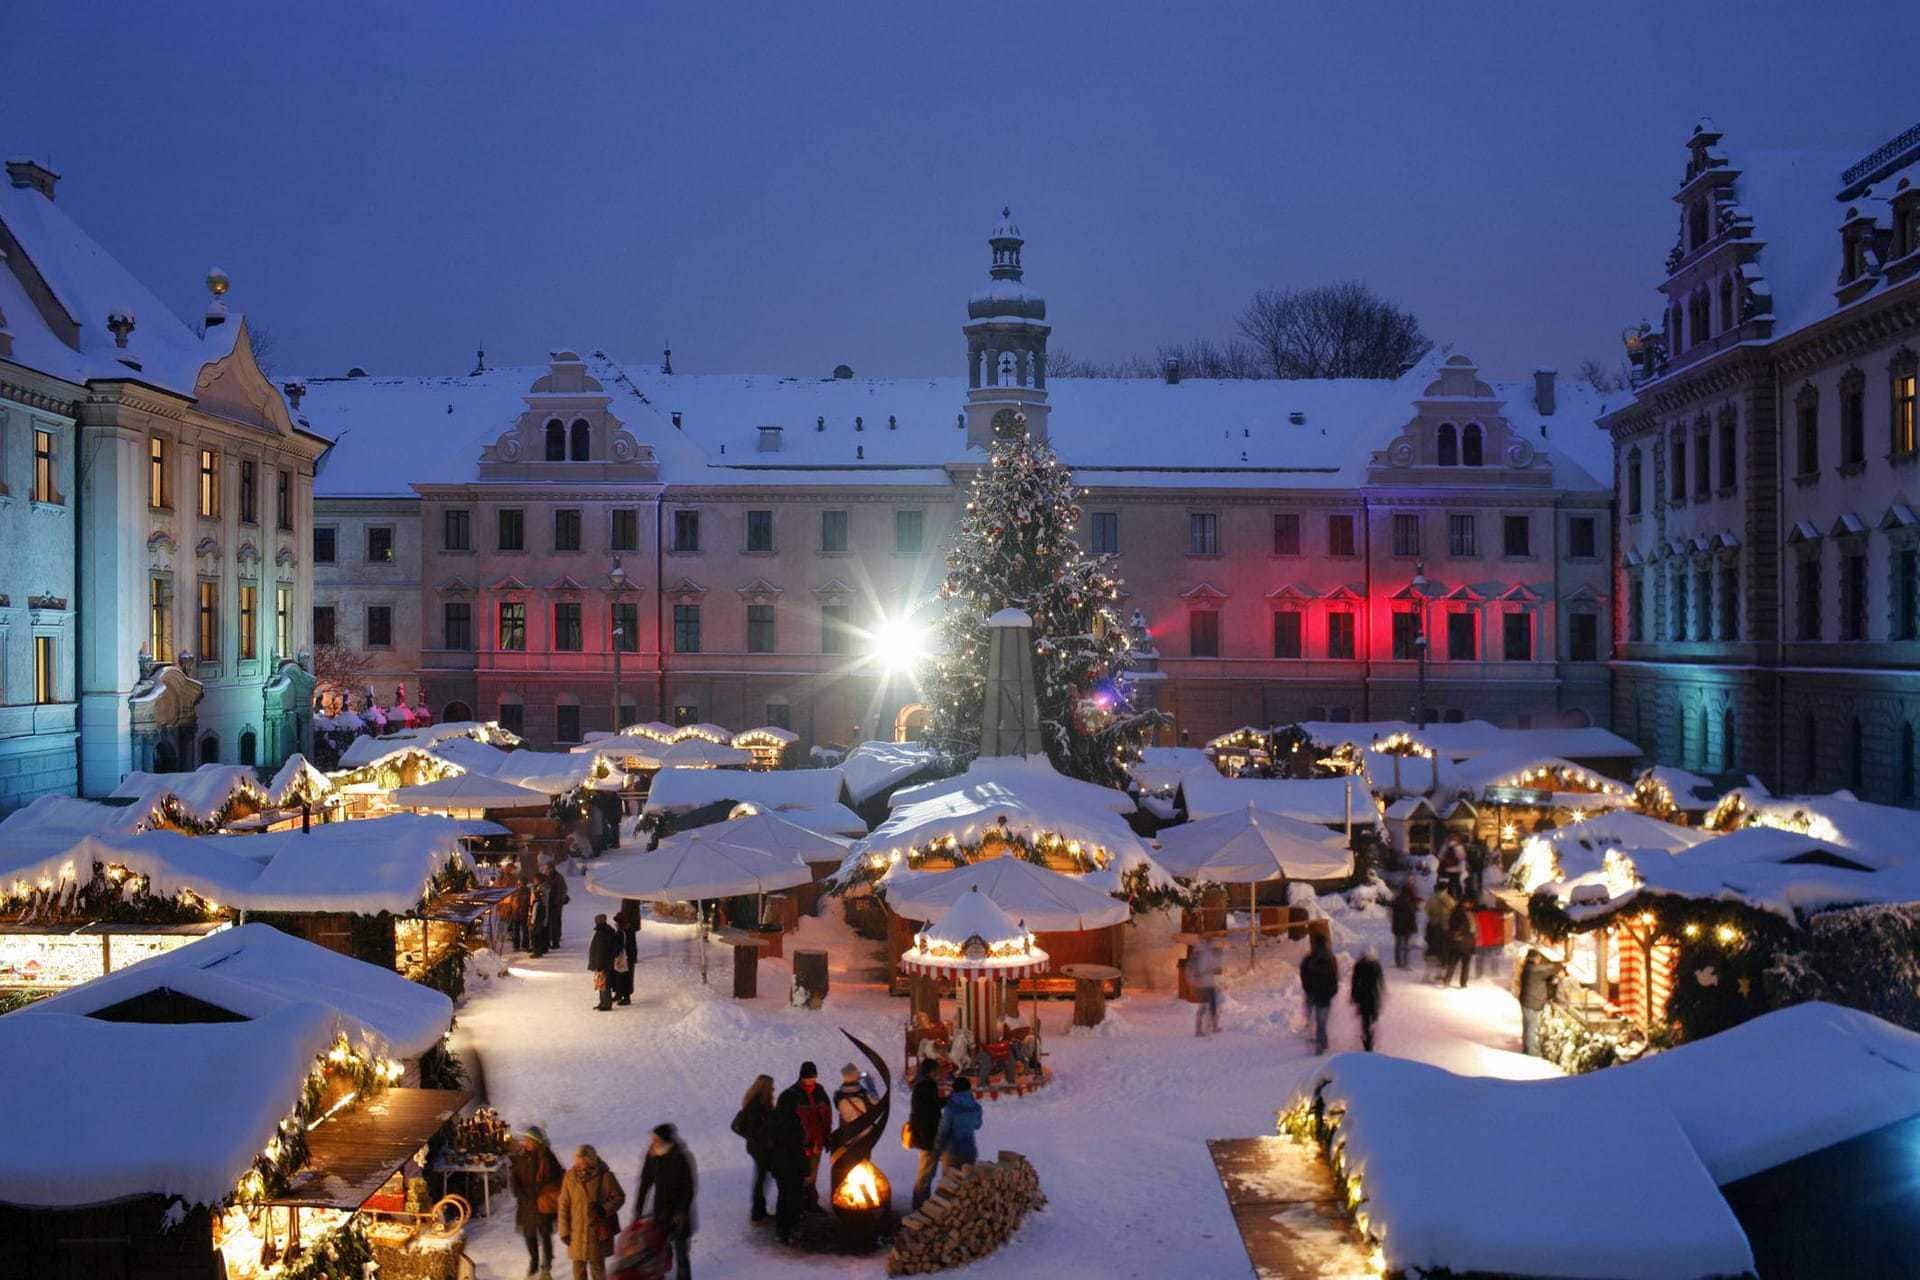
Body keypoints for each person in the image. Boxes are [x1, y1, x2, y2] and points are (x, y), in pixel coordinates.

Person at [771, 1062, 833, 1239]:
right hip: (799, 1146)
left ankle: (809, 1203)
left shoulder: (820, 1091)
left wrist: (826, 1136)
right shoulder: (792, 1095)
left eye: (813, 1077)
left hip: (816, 1142)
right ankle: (796, 1213)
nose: (810, 1081)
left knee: (812, 1174)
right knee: (798, 1180)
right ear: (800, 1077)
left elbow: (827, 1115)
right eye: (807, 1078)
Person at [635, 1123, 697, 1280]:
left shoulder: (680, 1157)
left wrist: (681, 1211)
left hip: (679, 1213)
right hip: (661, 1212)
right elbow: (645, 1183)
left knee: (681, 1251)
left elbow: (688, 1189)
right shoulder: (652, 1156)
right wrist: (638, 1210)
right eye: (652, 1139)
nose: (652, 1142)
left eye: (656, 1139)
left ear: (665, 1139)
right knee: (659, 1250)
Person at [555, 1144, 624, 1280]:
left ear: (589, 1160)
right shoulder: (570, 1177)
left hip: (596, 1232)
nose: (577, 1164)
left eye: (580, 1160)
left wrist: (604, 1209)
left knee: (597, 1269)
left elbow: (619, 1197)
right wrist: (564, 1231)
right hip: (576, 1232)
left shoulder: (605, 1176)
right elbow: (563, 1205)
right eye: (576, 1159)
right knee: (578, 1270)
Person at [509, 1125, 563, 1279]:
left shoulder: (546, 1157)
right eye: (525, 1139)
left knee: (545, 1234)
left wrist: (533, 1192)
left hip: (541, 1203)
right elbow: (514, 1176)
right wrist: (518, 1191)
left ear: (536, 1141)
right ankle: (534, 1262)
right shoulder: (521, 1156)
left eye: (528, 1140)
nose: (525, 1142)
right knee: (529, 1234)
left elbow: (553, 1178)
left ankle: (546, 1267)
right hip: (526, 1204)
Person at [730, 1075, 776, 1223]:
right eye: (771, 1086)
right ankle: (757, 1214)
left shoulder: (753, 1102)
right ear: (765, 1088)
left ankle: (758, 1212)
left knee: (761, 1178)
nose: (774, 1089)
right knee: (762, 1179)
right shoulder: (758, 1105)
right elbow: (755, 1127)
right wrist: (756, 1137)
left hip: (757, 1147)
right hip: (761, 1148)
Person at [905, 1058, 943, 1210]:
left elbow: (932, 1106)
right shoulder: (927, 1086)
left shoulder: (923, 1086)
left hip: (926, 1135)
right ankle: (920, 1206)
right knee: (926, 1174)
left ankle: (922, 1203)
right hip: (927, 1136)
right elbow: (928, 1112)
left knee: (927, 1173)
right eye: (936, 1071)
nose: (939, 1074)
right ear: (930, 1072)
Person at [1517, 948, 1563, 1056]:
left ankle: (1527, 1049)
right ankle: (1532, 1053)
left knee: (1528, 1027)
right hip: (1533, 1002)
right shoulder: (1534, 970)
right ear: (1535, 959)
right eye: (1538, 958)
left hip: (1527, 1001)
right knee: (1532, 1028)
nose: (1540, 960)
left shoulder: (1528, 969)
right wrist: (1561, 963)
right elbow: (1550, 968)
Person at [934, 1075, 983, 1179]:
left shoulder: (950, 1106)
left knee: (949, 1186)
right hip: (970, 1150)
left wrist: (937, 1148)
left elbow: (944, 1130)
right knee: (967, 1186)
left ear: (954, 1089)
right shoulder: (976, 1107)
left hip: (952, 1151)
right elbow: (977, 1125)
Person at [1299, 932, 1340, 1054]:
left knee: (1314, 1018)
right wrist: (1333, 991)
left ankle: (1320, 1042)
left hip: (1312, 994)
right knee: (1322, 1021)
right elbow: (1334, 977)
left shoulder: (1309, 959)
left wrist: (1307, 989)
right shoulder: (1331, 959)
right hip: (1325, 996)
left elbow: (1304, 975)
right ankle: (1321, 1042)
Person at [1350, 947, 1386, 1051]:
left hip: (1362, 996)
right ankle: (1371, 1037)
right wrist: (1382, 992)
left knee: (1365, 1020)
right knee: (1373, 1018)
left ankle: (1367, 1040)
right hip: (1374, 996)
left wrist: (1353, 996)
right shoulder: (1376, 965)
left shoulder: (1359, 965)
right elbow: (1381, 981)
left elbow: (1354, 981)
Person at [1189, 935, 1222, 1036]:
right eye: (1209, 941)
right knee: (1203, 1007)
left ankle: (1214, 1027)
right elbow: (1198, 971)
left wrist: (1215, 968)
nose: (1211, 943)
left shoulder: (1207, 952)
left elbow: (1214, 965)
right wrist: (1209, 970)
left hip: (1209, 983)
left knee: (1213, 1006)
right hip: (1203, 985)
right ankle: (1198, 1030)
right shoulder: (1199, 953)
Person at [1424, 885, 1456, 982]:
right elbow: (1454, 910)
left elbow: (1426, 910)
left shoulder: (1431, 899)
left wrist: (1433, 917)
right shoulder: (1449, 899)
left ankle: (1427, 975)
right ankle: (1440, 975)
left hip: (1433, 926)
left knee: (1432, 950)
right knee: (1443, 951)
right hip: (1445, 928)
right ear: (1445, 889)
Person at [587, 914, 618, 1012]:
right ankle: (603, 1002)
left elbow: (600, 950)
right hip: (606, 961)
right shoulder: (607, 930)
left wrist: (599, 965)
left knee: (604, 983)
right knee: (602, 983)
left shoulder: (601, 933)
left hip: (603, 963)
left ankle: (606, 1003)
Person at [833, 1062, 876, 1129]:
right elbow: (876, 1102)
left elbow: (837, 1107)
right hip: (865, 1129)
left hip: (848, 1132)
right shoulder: (864, 1094)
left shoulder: (837, 1096)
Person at [609, 907, 639, 1006]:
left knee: (625, 977)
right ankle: (619, 994)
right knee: (619, 976)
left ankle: (626, 997)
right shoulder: (626, 930)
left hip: (625, 958)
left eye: (617, 922)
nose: (616, 924)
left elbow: (622, 945)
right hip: (625, 957)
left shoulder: (624, 932)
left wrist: (614, 954)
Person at [1389, 882, 1420, 971]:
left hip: (1397, 925)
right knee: (1406, 945)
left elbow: (1391, 909)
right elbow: (1412, 914)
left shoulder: (1397, 900)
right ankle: (1406, 963)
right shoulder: (1410, 902)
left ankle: (1398, 962)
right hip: (1407, 927)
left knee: (1398, 944)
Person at [1445, 900, 1477, 989]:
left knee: (1454, 962)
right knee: (1464, 963)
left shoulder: (1454, 913)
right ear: (1464, 903)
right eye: (1469, 902)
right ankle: (1463, 983)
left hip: (1459, 941)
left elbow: (1449, 927)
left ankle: (1448, 980)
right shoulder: (1465, 914)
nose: (1470, 904)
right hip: (1464, 941)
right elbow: (1472, 928)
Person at [542, 857, 570, 950]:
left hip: (555, 904)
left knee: (555, 923)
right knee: (548, 923)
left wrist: (557, 901)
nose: (545, 870)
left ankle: (555, 941)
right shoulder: (544, 877)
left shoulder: (558, 877)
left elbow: (562, 890)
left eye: (547, 868)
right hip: (547, 904)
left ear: (551, 868)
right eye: (545, 868)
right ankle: (548, 940)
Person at [527, 875, 550, 960]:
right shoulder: (539, 890)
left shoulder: (539, 901)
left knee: (537, 934)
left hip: (538, 918)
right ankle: (540, 949)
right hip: (539, 916)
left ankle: (537, 951)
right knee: (539, 933)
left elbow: (535, 914)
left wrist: (532, 921)